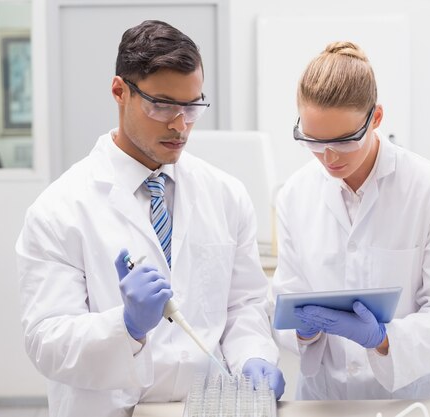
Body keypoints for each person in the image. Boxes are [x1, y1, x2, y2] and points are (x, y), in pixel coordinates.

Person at [16, 20, 284, 416]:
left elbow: (242, 306)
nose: (180, 125)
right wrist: (126, 327)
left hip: (204, 408)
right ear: (119, 91)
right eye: (161, 105)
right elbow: (47, 340)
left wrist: (253, 357)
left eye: (192, 106)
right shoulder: (59, 209)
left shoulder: (225, 195)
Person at [272, 41, 430, 400]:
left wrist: (384, 339)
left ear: (377, 118)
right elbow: (287, 300)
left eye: (343, 140)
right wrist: (302, 332)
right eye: (313, 140)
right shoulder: (295, 194)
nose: (328, 157)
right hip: (325, 401)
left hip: (412, 401)